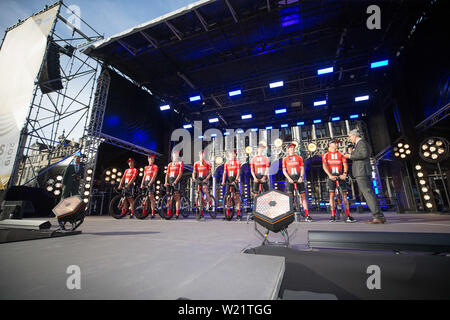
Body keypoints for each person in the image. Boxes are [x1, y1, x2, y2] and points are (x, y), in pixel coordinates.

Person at [344, 129, 386, 224]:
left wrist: (349, 156)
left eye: (350, 136)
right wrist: (352, 153)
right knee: (368, 193)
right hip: (362, 171)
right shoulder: (360, 144)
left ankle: (378, 216)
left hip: (362, 171)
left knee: (368, 193)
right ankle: (378, 215)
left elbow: (363, 154)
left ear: (354, 136)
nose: (350, 139)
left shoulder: (361, 143)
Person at [322, 140, 356, 223]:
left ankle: (348, 215)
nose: (336, 144)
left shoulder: (341, 154)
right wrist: (329, 175)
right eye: (334, 143)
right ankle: (333, 215)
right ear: (330, 145)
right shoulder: (326, 155)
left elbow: (345, 164)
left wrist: (344, 174)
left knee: (344, 195)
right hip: (331, 176)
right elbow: (324, 166)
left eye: (337, 143)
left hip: (340, 176)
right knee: (331, 195)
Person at [282, 143, 312, 222]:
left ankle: (307, 215)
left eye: (293, 148)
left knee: (303, 197)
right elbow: (284, 170)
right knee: (289, 197)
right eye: (290, 148)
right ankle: (289, 215)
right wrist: (288, 178)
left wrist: (301, 177)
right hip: (290, 178)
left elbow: (302, 168)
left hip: (298, 178)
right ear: (288, 149)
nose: (292, 149)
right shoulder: (285, 158)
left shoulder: (299, 157)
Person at [222, 150, 242, 221]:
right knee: (227, 197)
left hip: (235, 180)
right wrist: (223, 181)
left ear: (235, 155)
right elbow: (224, 173)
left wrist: (236, 180)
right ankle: (227, 214)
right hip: (229, 180)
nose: (232, 156)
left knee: (237, 197)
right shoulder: (227, 163)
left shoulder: (238, 162)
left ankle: (238, 214)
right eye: (230, 155)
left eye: (233, 154)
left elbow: (238, 172)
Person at [192, 150, 212, 221]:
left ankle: (210, 203)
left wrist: (206, 178)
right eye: (201, 154)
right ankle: (201, 213)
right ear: (199, 155)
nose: (202, 156)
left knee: (205, 190)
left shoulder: (207, 163)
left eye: (203, 155)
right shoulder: (196, 163)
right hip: (198, 179)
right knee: (198, 194)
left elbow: (210, 173)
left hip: (205, 179)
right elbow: (194, 172)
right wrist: (194, 178)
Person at [164, 150, 184, 219]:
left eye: (176, 155)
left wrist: (176, 181)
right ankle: (169, 212)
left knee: (177, 197)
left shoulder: (180, 163)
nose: (175, 156)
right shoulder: (170, 164)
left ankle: (177, 213)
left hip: (176, 180)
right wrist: (165, 182)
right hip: (169, 180)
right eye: (174, 154)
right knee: (168, 196)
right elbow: (167, 174)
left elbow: (180, 173)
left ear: (178, 156)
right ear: (172, 156)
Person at [140, 154, 159, 219]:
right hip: (145, 182)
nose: (152, 160)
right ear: (148, 159)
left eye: (153, 159)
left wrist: (150, 182)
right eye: (150, 158)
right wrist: (142, 183)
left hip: (151, 183)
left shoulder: (155, 166)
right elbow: (144, 176)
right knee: (144, 198)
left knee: (151, 198)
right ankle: (144, 213)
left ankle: (153, 213)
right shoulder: (146, 167)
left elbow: (154, 175)